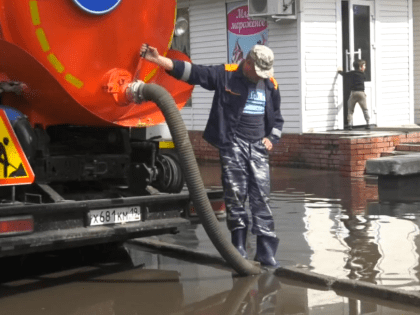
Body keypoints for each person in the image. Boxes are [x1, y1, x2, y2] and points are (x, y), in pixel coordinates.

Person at [140, 43, 284, 268]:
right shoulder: (225, 75)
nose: (261, 78)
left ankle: (266, 253)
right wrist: (159, 61)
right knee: (235, 197)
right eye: (258, 73)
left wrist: (271, 138)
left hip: (258, 147)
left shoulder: (270, 85)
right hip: (233, 143)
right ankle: (237, 250)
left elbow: (277, 118)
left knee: (262, 198)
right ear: (247, 64)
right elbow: (194, 73)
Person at [338, 59, 370, 130]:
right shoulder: (363, 74)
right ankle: (368, 123)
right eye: (364, 65)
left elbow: (344, 74)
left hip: (353, 93)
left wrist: (339, 71)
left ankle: (349, 124)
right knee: (365, 109)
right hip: (361, 93)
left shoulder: (351, 73)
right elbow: (364, 78)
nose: (365, 67)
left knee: (350, 110)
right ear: (360, 67)